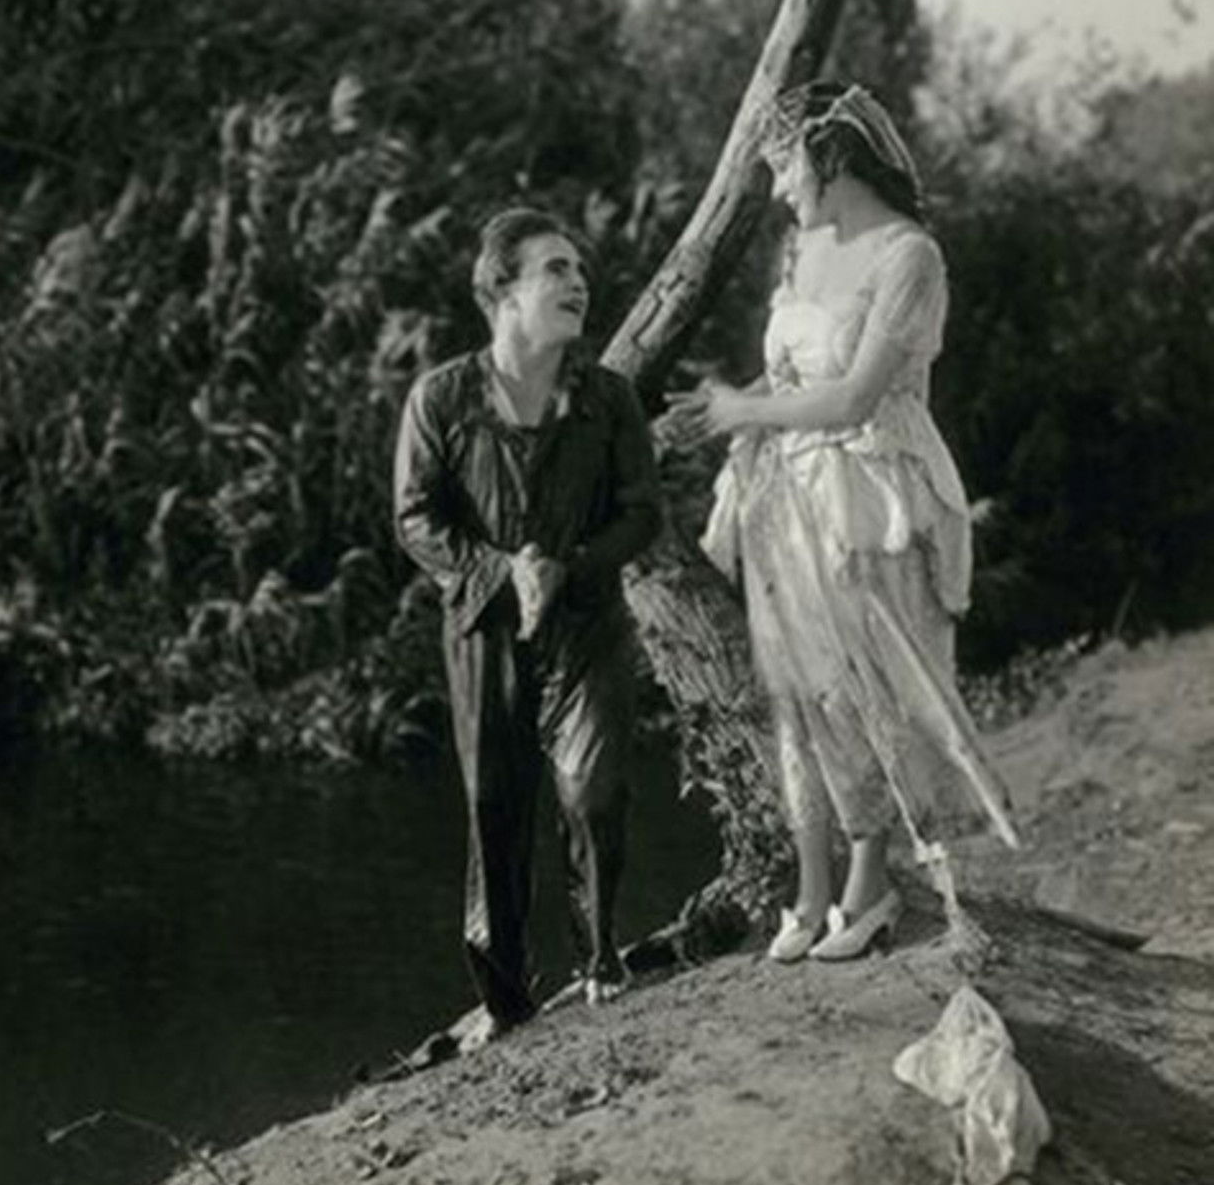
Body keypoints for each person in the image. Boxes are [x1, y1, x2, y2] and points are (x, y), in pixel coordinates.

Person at [665, 81, 1017, 964]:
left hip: (873, 490)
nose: (780, 190)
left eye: (783, 167)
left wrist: (745, 417)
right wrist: (718, 412)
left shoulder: (910, 257)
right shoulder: (802, 250)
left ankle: (875, 881)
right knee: (800, 689)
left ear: (828, 156)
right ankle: (813, 884)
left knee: (871, 681)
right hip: (790, 491)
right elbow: (787, 387)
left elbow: (858, 393)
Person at [393, 206, 662, 1046]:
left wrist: (567, 568)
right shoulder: (440, 396)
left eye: (580, 271)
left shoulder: (610, 398)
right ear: (500, 292)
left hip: (587, 622)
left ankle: (599, 961)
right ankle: (505, 1000)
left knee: (594, 790)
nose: (579, 283)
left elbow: (642, 514)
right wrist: (501, 571)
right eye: (556, 269)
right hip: (483, 626)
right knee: (495, 805)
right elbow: (414, 517)